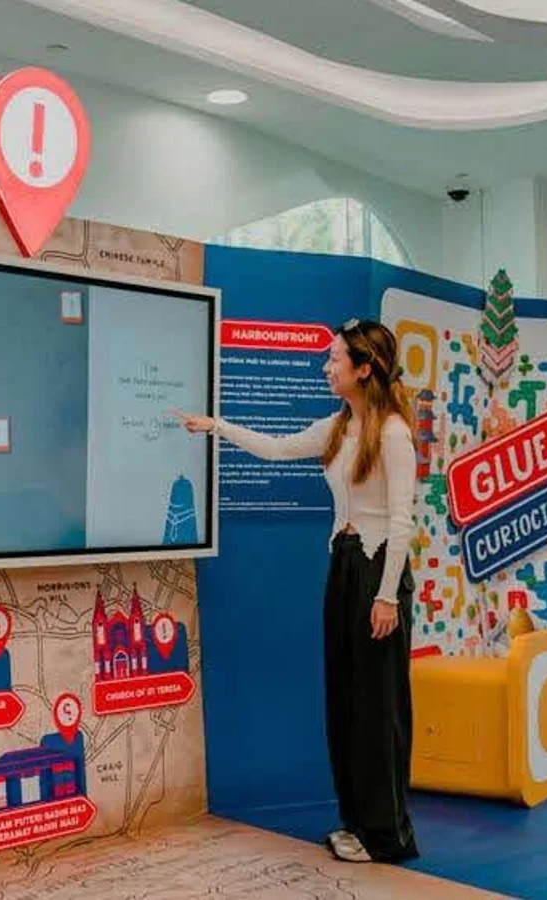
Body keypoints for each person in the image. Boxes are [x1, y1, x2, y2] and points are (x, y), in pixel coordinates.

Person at [173, 318, 419, 865]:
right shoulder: (337, 428)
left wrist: (386, 598)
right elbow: (276, 448)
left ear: (365, 368)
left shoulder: (395, 434)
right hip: (345, 567)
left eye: (335, 360)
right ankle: (356, 823)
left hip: (379, 573)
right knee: (345, 701)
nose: (326, 367)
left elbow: (401, 522)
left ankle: (388, 835)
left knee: (379, 709)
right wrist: (216, 426)